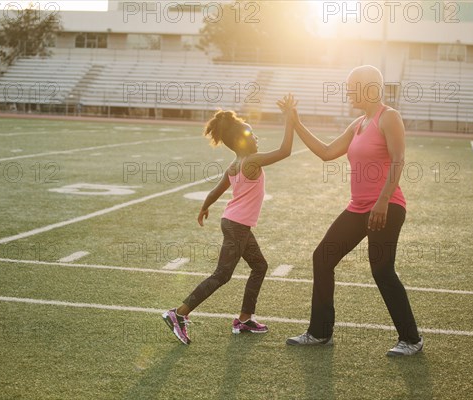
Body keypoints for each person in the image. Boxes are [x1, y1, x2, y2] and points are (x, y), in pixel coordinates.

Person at [279, 66, 423, 356]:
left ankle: (411, 339)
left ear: (369, 87)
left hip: (387, 206)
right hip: (358, 208)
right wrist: (295, 123)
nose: (347, 91)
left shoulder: (389, 117)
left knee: (382, 270)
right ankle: (319, 333)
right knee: (323, 258)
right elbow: (327, 152)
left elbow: (399, 159)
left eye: (351, 86)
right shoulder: (359, 123)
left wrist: (382, 201)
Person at [162, 95, 297, 345]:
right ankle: (178, 314)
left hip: (234, 223)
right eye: (251, 134)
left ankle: (244, 319)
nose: (256, 137)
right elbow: (286, 150)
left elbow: (216, 190)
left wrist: (205, 207)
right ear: (240, 141)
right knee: (222, 275)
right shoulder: (252, 161)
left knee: (259, 266)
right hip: (236, 226)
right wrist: (290, 119)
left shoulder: (235, 164)